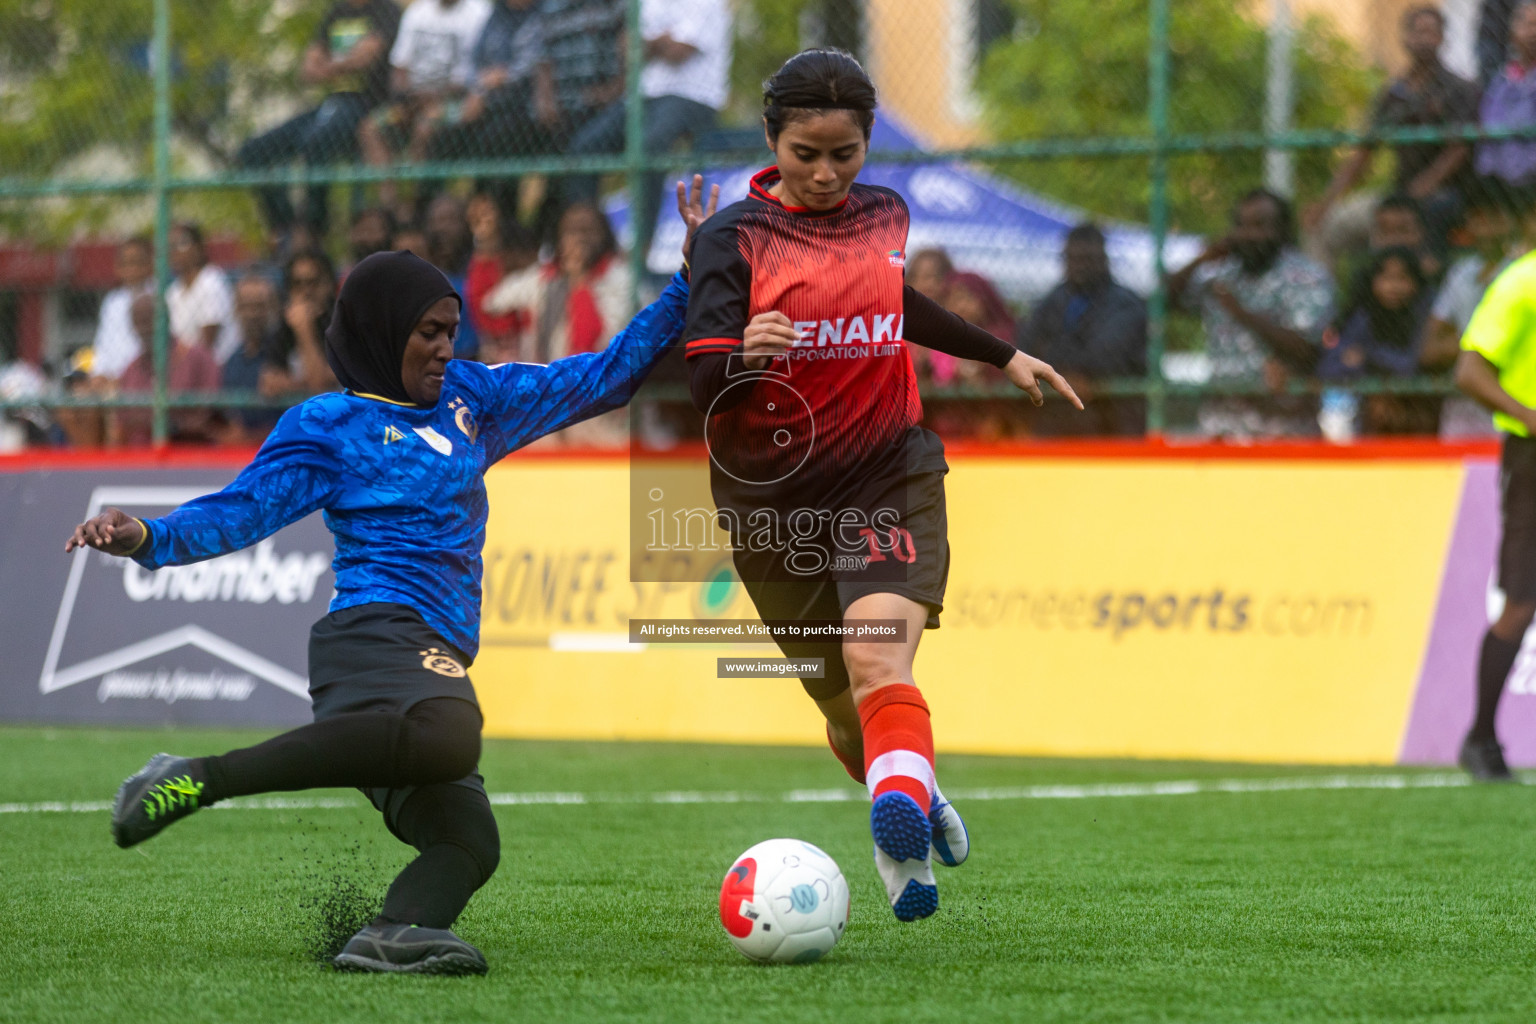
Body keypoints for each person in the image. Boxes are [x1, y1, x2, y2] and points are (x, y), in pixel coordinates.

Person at [68, 176, 719, 975]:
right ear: (380, 333)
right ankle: (198, 779)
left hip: (423, 661)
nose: (447, 348)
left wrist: (688, 279)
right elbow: (242, 512)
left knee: (469, 840)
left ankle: (394, 932)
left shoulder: (474, 398)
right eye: (429, 334)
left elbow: (607, 376)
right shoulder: (329, 425)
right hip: (372, 641)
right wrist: (147, 536)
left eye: (451, 329)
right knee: (452, 731)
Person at [683, 49, 1080, 922]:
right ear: (771, 144)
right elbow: (700, 393)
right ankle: (913, 787)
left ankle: (898, 840)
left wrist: (1002, 352)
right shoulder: (731, 240)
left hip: (884, 472)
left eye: (845, 154)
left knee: (874, 657)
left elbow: (896, 302)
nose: (826, 173)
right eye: (805, 154)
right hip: (769, 502)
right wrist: (745, 354)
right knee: (841, 709)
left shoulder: (885, 216)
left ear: (867, 146)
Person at [1451, 241, 1536, 780]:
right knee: (1522, 600)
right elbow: (1469, 371)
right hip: (1533, 457)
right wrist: (1527, 415)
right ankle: (1481, 736)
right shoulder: (1523, 282)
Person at [1306, 6, 1481, 260]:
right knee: (1324, 226)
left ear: (1443, 38)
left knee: (1399, 226)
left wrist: (1419, 191)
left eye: (1432, 32)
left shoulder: (1459, 88)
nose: (1425, 39)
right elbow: (1363, 154)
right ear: (1405, 38)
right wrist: (1328, 201)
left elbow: (1459, 149)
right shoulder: (1394, 93)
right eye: (1418, 32)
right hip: (1396, 193)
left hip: (1443, 194)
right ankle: (1320, 296)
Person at [563, 0, 730, 258]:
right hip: (644, 97)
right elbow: (626, 47)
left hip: (693, 97)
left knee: (650, 144)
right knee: (584, 146)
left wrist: (647, 44)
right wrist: (660, 42)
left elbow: (679, 52)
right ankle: (599, 246)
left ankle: (642, 246)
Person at [1167, 189, 1333, 439]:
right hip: (1221, 427)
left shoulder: (1307, 277)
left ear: (1282, 230)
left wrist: (1240, 312)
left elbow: (1306, 347)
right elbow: (1161, 301)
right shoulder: (1219, 274)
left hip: (1283, 429)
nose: (1249, 235)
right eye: (1241, 226)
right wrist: (1203, 258)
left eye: (1260, 226)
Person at [235, 0, 401, 244]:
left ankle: (314, 226)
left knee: (315, 140)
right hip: (332, 104)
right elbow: (307, 70)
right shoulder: (336, 11)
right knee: (252, 152)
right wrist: (341, 65)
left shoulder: (385, 9)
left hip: (368, 104)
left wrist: (329, 65)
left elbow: (368, 55)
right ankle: (285, 227)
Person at [357, 0, 494, 212]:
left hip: (453, 101)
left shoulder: (479, 12)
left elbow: (467, 76)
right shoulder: (417, 12)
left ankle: (414, 205)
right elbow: (399, 67)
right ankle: (390, 207)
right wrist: (405, 99)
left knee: (425, 126)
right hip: (412, 100)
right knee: (371, 128)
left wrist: (431, 99)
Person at [1017, 224, 1148, 437]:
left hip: (1112, 422)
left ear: (1102, 260)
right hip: (1056, 422)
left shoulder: (1126, 304)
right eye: (1072, 259)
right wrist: (1065, 375)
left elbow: (1104, 357)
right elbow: (1024, 347)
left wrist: (1051, 364)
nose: (1078, 266)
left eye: (1086, 259)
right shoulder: (1052, 301)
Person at [483, 202, 631, 363]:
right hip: (544, 377)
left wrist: (580, 280)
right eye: (571, 231)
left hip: (597, 374)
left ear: (604, 235)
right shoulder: (544, 276)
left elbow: (602, 341)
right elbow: (491, 304)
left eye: (588, 231)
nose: (579, 239)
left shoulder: (620, 276)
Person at [1317, 247, 1438, 435]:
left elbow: (1412, 364)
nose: (1393, 287)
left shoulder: (1425, 315)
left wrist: (1369, 357)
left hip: (1415, 408)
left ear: (1415, 283)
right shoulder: (1362, 315)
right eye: (1386, 278)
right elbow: (1330, 365)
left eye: (1402, 279)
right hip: (1367, 409)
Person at [113, 293, 223, 446]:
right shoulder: (130, 372)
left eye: (150, 319)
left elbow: (207, 415)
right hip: (140, 459)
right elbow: (123, 424)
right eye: (139, 321)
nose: (146, 327)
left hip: (189, 454)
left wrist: (165, 424)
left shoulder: (198, 358)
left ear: (167, 319)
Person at [464, 194, 540, 363]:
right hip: (496, 348)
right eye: (479, 215)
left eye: (488, 212)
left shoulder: (535, 276)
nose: (485, 218)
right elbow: (484, 305)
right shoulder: (483, 266)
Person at [261, 250, 340, 399]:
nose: (306, 291)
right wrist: (304, 383)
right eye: (297, 284)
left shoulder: (341, 327)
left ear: (328, 285)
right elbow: (268, 384)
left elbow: (318, 389)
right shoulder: (282, 329)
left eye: (313, 282)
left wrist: (304, 330)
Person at [1478, 0, 1536, 187]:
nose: (1533, 33)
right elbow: (1489, 130)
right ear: (1512, 34)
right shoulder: (1500, 82)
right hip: (1500, 178)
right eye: (1528, 25)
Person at [221, 274, 285, 443]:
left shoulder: (286, 355)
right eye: (246, 307)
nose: (253, 314)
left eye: (260, 306)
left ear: (273, 308)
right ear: (237, 310)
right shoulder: (232, 361)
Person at [165, 223, 238, 366]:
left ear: (199, 248)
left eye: (181, 243)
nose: (174, 251)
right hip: (184, 366)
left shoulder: (211, 280)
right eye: (170, 245)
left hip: (217, 366)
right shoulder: (173, 291)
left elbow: (207, 344)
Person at [90, 236, 155, 383]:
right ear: (118, 268)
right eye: (126, 264)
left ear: (150, 264)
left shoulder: (158, 296)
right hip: (111, 378)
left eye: (137, 263)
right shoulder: (113, 301)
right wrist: (99, 375)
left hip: (143, 378)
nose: (132, 269)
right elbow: (102, 347)